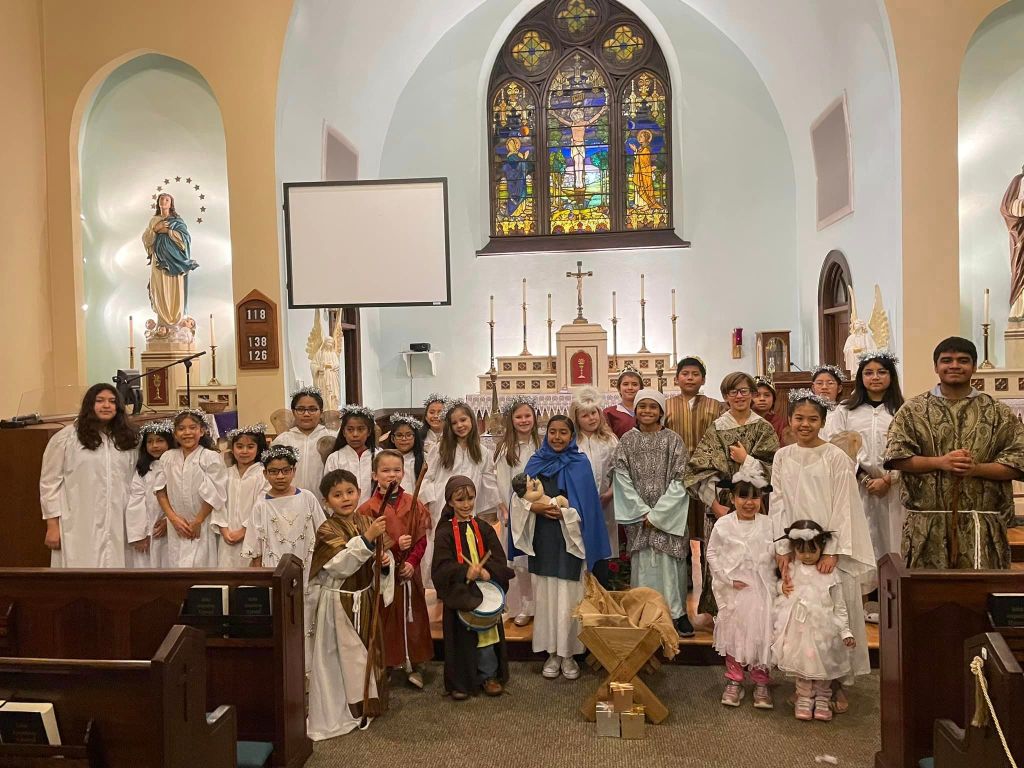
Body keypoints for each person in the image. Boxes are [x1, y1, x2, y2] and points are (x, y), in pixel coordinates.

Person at [770, 389, 874, 712]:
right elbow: (778, 501)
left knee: (833, 615)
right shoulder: (782, 457)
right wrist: (782, 546)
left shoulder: (835, 457)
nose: (805, 424)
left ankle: (837, 683)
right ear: (789, 420)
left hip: (827, 551)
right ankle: (805, 679)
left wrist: (833, 550)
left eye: (812, 419)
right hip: (798, 549)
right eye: (799, 418)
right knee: (803, 618)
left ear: (823, 422)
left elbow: (844, 504)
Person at [884, 337, 1024, 569]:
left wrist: (976, 469)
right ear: (936, 366)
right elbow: (897, 458)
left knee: (981, 591)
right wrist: (940, 462)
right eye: (947, 360)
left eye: (963, 360)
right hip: (927, 527)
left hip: (982, 527)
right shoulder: (913, 410)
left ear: (974, 366)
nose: (955, 366)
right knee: (927, 591)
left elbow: (1018, 462)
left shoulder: (998, 412)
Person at [511, 415, 610, 679]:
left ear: (571, 435)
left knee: (570, 596)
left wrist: (564, 513)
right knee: (546, 595)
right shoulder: (535, 462)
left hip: (571, 541)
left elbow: (587, 507)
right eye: (553, 432)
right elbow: (518, 500)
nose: (557, 437)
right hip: (543, 539)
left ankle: (569, 654)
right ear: (546, 435)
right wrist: (536, 507)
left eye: (563, 432)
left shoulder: (580, 463)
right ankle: (551, 652)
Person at [306, 469, 393, 739]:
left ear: (359, 492)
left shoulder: (367, 520)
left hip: (364, 597)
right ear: (326, 501)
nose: (345, 498)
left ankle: (365, 706)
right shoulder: (327, 529)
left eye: (350, 492)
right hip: (338, 603)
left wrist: (384, 563)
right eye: (337, 495)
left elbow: (381, 556)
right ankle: (342, 709)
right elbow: (338, 565)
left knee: (364, 654)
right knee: (341, 659)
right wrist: (367, 539)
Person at [685, 372, 779, 619]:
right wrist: (715, 505)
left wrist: (746, 459)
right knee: (722, 556)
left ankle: (757, 612)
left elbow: (776, 469)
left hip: (754, 503)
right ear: (725, 396)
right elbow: (699, 469)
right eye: (732, 392)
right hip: (722, 505)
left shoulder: (764, 428)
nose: (739, 396)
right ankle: (721, 615)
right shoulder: (717, 427)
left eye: (744, 391)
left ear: (752, 394)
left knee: (755, 556)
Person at [613, 389, 693, 637]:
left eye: (653, 407)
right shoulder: (627, 441)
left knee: (670, 566)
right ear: (635, 410)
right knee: (644, 565)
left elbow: (681, 478)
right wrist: (641, 512)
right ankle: (642, 611)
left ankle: (677, 613)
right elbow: (621, 477)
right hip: (639, 517)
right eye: (642, 406)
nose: (647, 411)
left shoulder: (673, 440)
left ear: (661, 411)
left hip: (669, 516)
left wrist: (658, 515)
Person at [431, 476, 515, 700]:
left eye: (470, 499)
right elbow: (440, 567)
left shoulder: (484, 528)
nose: (466, 504)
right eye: (460, 500)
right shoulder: (444, 533)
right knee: (461, 638)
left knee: (487, 636)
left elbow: (499, 559)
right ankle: (460, 681)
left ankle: (489, 676)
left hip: (484, 589)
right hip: (460, 592)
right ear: (450, 502)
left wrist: (488, 572)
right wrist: (464, 572)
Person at [39, 383, 139, 568]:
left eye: (112, 401)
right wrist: (52, 526)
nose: (106, 405)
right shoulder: (66, 438)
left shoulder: (127, 439)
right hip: (79, 521)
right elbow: (49, 484)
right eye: (100, 401)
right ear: (89, 405)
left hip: (120, 521)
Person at [358, 450, 433, 690]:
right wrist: (389, 551)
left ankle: (418, 663)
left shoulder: (413, 503)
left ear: (403, 472)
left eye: (397, 470)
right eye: (385, 470)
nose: (392, 475)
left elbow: (421, 539)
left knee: (414, 615)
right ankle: (386, 663)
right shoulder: (367, 509)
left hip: (409, 572)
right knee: (385, 617)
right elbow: (366, 541)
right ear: (374, 475)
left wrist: (411, 562)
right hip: (384, 573)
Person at [772, 520, 857, 723]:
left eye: (812, 550)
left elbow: (839, 604)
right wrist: (780, 588)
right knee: (802, 663)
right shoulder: (792, 568)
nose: (807, 556)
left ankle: (822, 699)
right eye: (801, 551)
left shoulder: (830, 573)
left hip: (824, 630)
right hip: (799, 630)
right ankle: (803, 697)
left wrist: (845, 631)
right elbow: (781, 587)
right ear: (794, 549)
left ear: (821, 548)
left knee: (824, 663)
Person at [828, 352, 906, 571]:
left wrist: (889, 479)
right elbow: (835, 447)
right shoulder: (846, 410)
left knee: (894, 540)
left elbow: (910, 448)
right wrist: (863, 478)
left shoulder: (903, 410)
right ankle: (866, 589)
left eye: (882, 372)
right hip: (857, 486)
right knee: (861, 540)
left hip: (894, 488)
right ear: (861, 377)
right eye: (869, 373)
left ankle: (892, 586)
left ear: (891, 376)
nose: (875, 377)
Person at [706, 475, 776, 709]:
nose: (749, 502)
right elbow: (712, 553)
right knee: (734, 633)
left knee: (760, 633)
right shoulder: (723, 524)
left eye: (755, 497)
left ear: (762, 498)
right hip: (733, 591)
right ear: (733, 498)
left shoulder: (768, 524)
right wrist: (726, 578)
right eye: (743, 496)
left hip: (760, 590)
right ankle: (734, 679)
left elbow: (778, 553)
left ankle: (761, 680)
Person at [665, 355, 725, 618]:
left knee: (707, 528)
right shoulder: (666, 405)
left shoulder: (715, 406)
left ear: (703, 379)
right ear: (676, 378)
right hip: (675, 477)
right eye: (685, 374)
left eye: (695, 374)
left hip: (707, 476)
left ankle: (708, 579)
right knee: (680, 527)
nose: (690, 378)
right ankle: (685, 574)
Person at [422, 400, 500, 586]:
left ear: (472, 420)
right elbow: (428, 477)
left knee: (466, 542)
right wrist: (428, 505)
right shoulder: (441, 449)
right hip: (443, 505)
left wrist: (491, 509)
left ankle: (464, 583)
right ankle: (442, 586)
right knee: (442, 545)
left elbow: (488, 480)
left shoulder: (482, 451)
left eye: (463, 420)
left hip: (468, 506)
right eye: (454, 422)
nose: (460, 425)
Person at [242, 445, 326, 589]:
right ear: (265, 473)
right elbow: (255, 548)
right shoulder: (261, 505)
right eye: (273, 471)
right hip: (273, 570)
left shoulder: (307, 498)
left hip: (308, 567)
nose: (280, 476)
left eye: (286, 470)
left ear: (294, 471)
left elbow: (323, 531)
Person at [155, 409, 227, 568]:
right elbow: (160, 491)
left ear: (202, 431)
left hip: (202, 524)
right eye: (181, 428)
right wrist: (173, 519)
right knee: (176, 568)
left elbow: (215, 493)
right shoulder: (168, 457)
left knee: (202, 569)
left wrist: (198, 521)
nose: (187, 432)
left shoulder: (210, 457)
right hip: (176, 525)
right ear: (175, 434)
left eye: (192, 428)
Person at [492, 396, 540, 626]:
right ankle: (522, 605)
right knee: (519, 562)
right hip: (516, 512)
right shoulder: (506, 449)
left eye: (527, 415)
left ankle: (540, 605)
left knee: (538, 559)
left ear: (534, 417)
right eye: (518, 417)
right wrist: (506, 509)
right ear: (511, 420)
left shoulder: (542, 445)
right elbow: (502, 482)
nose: (523, 420)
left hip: (539, 509)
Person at [570, 386, 619, 573]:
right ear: (576, 419)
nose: (591, 418)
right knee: (581, 547)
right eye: (585, 415)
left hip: (606, 501)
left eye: (594, 413)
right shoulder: (572, 442)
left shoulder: (610, 440)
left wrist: (610, 493)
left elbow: (620, 470)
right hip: (579, 505)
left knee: (603, 552)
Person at [212, 424, 269, 568]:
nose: (244, 451)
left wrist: (244, 530)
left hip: (253, 536)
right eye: (239, 446)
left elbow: (262, 506)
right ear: (232, 448)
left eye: (250, 447)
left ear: (258, 449)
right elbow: (218, 503)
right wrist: (224, 529)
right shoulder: (225, 474)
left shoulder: (263, 475)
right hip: (227, 536)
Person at [142, 192, 197, 329]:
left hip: (175, 261)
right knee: (159, 287)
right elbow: (146, 239)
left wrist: (168, 231)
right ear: (158, 202)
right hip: (158, 260)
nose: (164, 201)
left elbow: (185, 239)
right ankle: (162, 323)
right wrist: (155, 229)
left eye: (167, 200)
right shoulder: (154, 220)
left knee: (174, 287)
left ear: (171, 204)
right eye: (161, 199)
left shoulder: (177, 221)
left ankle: (176, 321)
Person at [125, 420, 175, 568]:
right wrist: (139, 534)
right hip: (148, 530)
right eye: (150, 442)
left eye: (160, 440)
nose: (155, 445)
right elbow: (136, 500)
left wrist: (169, 520)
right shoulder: (143, 470)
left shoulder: (176, 465)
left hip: (173, 527)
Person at [272, 387, 333, 498]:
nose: (306, 414)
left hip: (323, 500)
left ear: (321, 412)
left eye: (312, 409)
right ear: (293, 412)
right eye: (300, 409)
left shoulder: (330, 438)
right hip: (289, 500)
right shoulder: (283, 440)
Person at [325, 405, 379, 505]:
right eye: (350, 429)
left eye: (361, 429)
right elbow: (329, 490)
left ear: (369, 432)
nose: (355, 434)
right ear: (343, 432)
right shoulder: (335, 458)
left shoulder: (379, 456)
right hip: (343, 512)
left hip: (374, 512)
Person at [382, 413, 427, 494]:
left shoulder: (424, 458)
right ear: (392, 439)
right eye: (399, 435)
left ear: (415, 437)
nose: (404, 439)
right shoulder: (384, 459)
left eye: (408, 435)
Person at [604, 367, 643, 438]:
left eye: (634, 384)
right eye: (625, 384)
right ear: (619, 388)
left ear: (641, 388)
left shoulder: (648, 411)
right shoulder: (609, 413)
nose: (630, 388)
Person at [812, 364, 846, 439]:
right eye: (819, 383)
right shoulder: (807, 410)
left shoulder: (843, 411)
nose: (824, 387)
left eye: (830, 383)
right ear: (813, 388)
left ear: (839, 388)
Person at [751, 376, 787, 444]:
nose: (762, 399)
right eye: (757, 395)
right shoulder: (744, 420)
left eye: (767, 395)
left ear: (773, 400)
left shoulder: (780, 423)